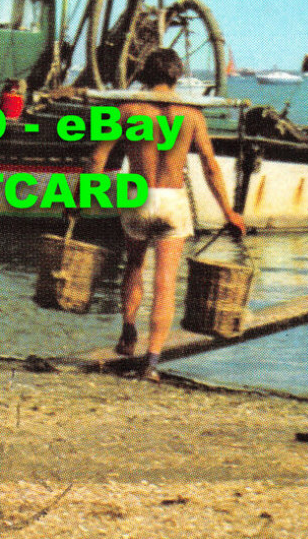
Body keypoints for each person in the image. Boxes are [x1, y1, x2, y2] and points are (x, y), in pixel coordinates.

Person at [82, 48, 246, 381]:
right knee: (166, 282)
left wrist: (82, 197)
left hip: (138, 195)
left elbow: (96, 160)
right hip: (172, 200)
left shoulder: (126, 110)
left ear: (144, 74)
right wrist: (229, 211)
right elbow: (211, 167)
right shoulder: (192, 115)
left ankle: (129, 329)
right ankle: (152, 363)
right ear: (176, 76)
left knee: (134, 264)